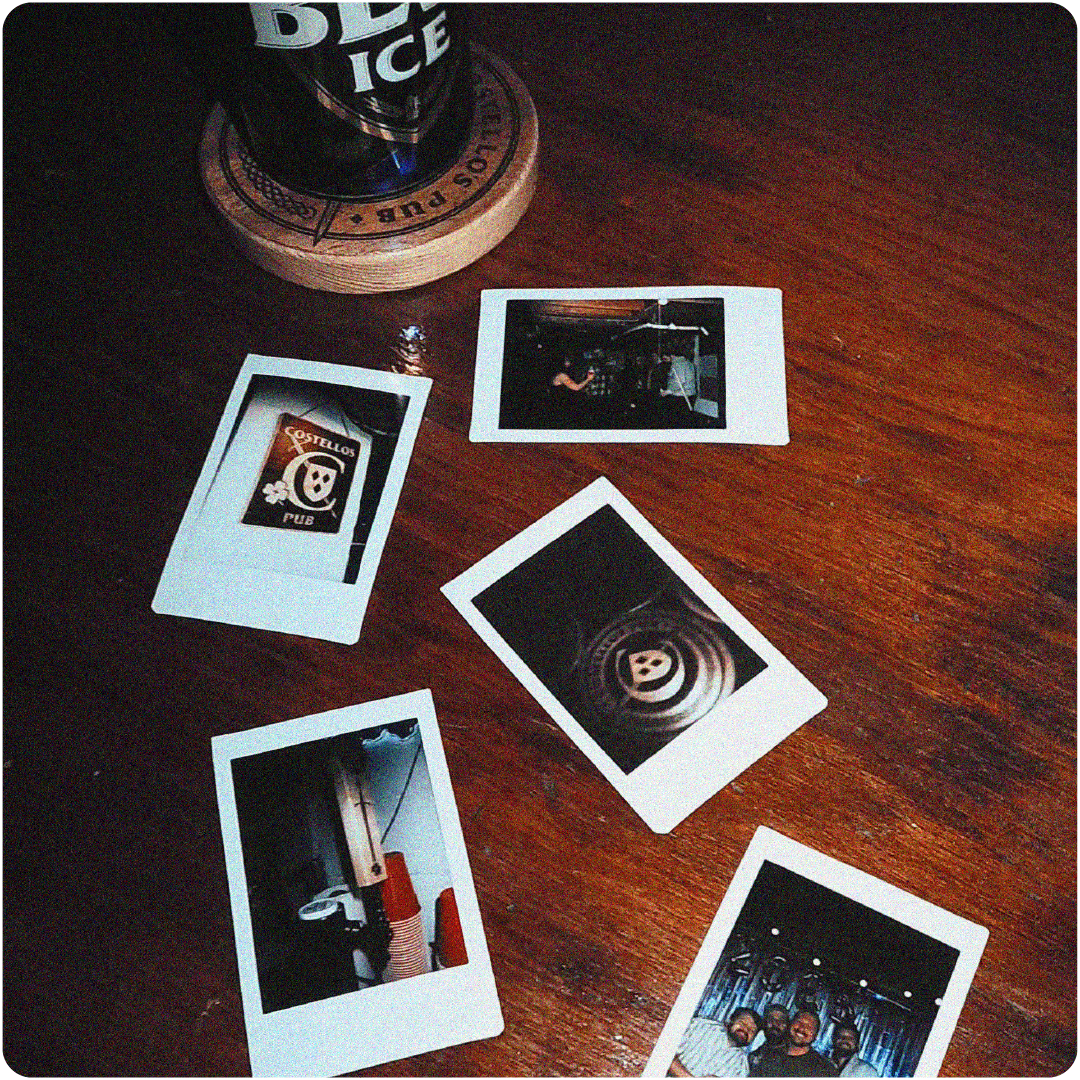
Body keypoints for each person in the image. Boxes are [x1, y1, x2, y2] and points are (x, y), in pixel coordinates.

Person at [669, 1006, 761, 1077]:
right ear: (730, 1021)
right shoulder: (701, 1026)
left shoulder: (742, 1065)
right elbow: (665, 1051)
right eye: (742, 1023)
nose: (745, 1029)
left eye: (751, 1030)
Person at [751, 1009, 837, 1077]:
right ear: (790, 1025)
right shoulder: (769, 1055)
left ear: (815, 1036)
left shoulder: (824, 1069)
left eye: (810, 1026)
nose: (802, 1028)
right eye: (799, 1022)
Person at [748, 1004, 790, 1074]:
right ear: (764, 1023)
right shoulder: (754, 1055)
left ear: (787, 1026)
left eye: (781, 1020)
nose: (775, 1023)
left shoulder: (793, 1056)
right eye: (771, 1019)